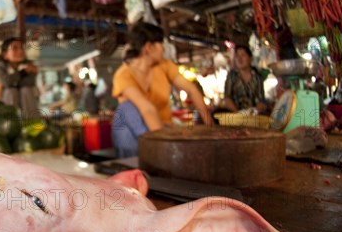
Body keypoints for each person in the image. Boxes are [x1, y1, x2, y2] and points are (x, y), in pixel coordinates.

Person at [111, 22, 212, 158]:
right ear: (149, 47)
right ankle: (139, 163)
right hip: (135, 135)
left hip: (162, 128)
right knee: (126, 108)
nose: (163, 49)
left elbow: (192, 91)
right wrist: (164, 147)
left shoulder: (164, 66)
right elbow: (147, 109)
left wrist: (209, 125)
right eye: (161, 44)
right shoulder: (123, 75)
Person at [0, 37, 40, 117]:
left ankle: (31, 122)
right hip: (7, 98)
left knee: (26, 89)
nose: (20, 51)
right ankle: (10, 120)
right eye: (15, 48)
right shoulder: (0, 66)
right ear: (5, 55)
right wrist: (24, 72)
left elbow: (29, 82)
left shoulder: (30, 64)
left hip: (28, 99)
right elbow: (7, 82)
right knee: (11, 91)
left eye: (21, 48)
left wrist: (12, 80)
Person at [223, 45, 267, 113]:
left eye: (243, 55)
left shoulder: (257, 77)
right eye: (237, 56)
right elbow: (227, 98)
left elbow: (261, 100)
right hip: (234, 117)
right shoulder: (232, 76)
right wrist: (238, 114)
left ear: (250, 58)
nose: (239, 59)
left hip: (252, 118)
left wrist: (254, 111)